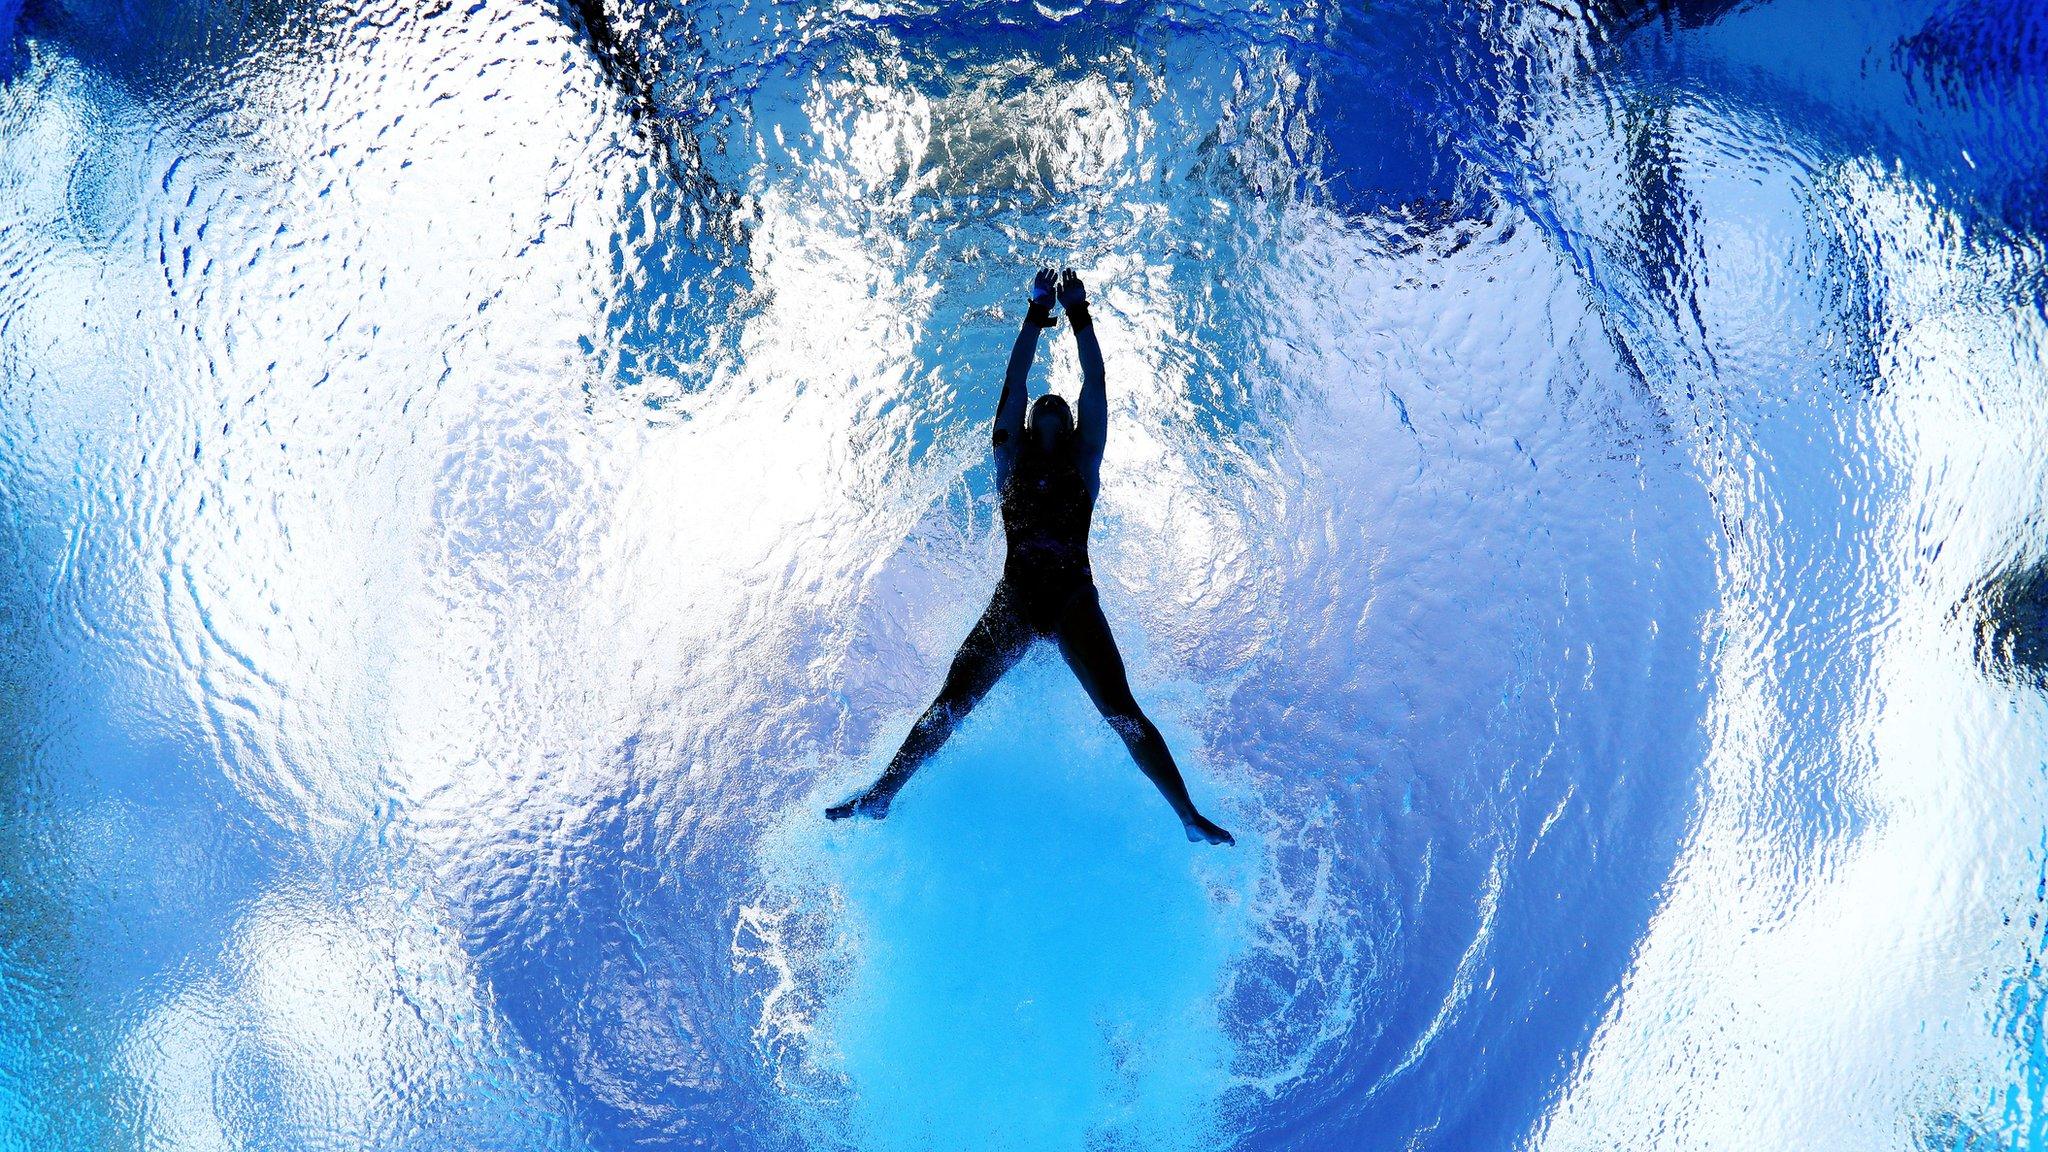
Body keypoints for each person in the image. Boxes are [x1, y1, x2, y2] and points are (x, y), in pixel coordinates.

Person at [828, 269, 1235, 846]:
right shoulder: (1008, 458)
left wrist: (1079, 313)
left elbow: (1094, 380)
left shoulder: (1085, 461)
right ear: (1024, 424)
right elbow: (1014, 382)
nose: (1050, 404)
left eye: (1060, 407)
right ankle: (882, 795)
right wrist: (1033, 315)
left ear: (1069, 425)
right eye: (1040, 406)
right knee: (951, 704)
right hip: (1015, 602)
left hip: (1073, 602)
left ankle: (1188, 818)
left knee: (1123, 713)